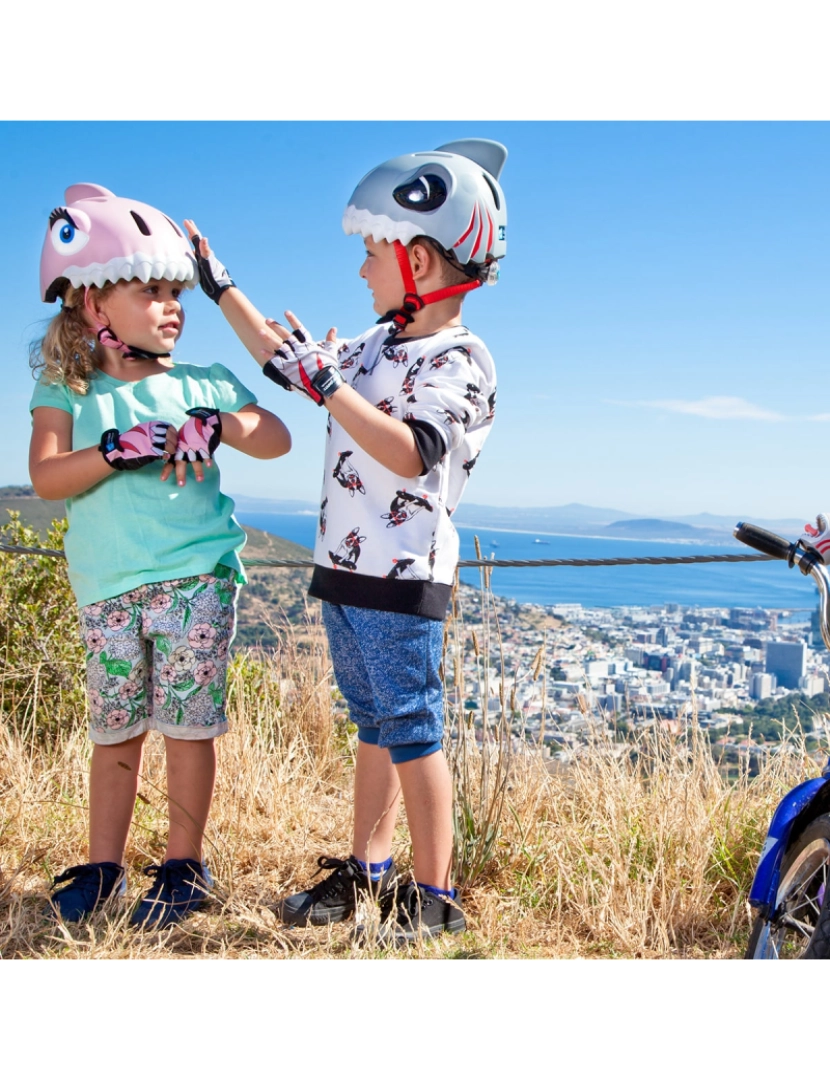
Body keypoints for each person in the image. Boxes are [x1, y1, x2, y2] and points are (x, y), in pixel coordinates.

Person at [189, 138, 507, 944]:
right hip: (344, 570)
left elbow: (409, 451)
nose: (362, 271)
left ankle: (434, 894)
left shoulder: (461, 360)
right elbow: (279, 358)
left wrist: (329, 385)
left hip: (401, 579)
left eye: (374, 253)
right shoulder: (371, 347)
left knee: (412, 727)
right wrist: (220, 289)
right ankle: (368, 870)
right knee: (373, 723)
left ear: (424, 262)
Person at [29, 183, 291, 928]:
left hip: (194, 581)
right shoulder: (68, 387)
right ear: (94, 307)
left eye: (178, 292)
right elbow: (48, 476)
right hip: (108, 586)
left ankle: (183, 866)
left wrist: (219, 422)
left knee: (187, 726)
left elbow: (276, 437)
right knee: (113, 731)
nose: (174, 306)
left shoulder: (203, 383)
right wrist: (114, 450)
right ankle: (104, 867)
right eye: (153, 290)